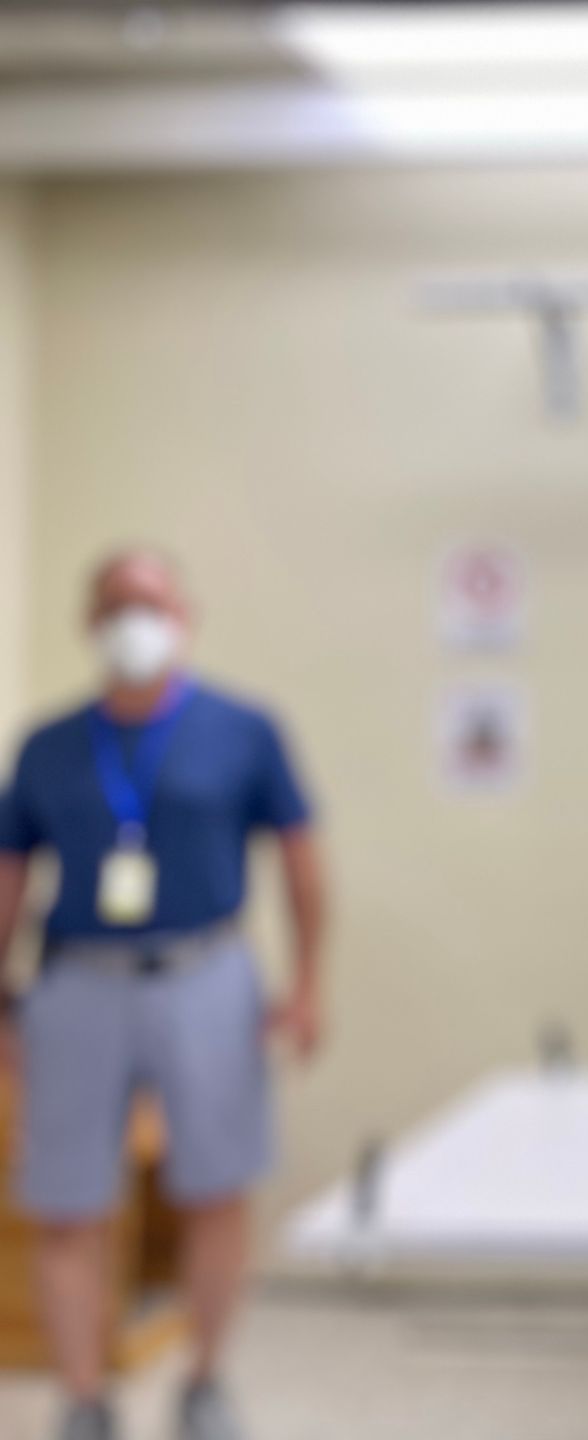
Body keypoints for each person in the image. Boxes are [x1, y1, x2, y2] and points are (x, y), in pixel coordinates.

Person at [0, 549, 325, 1440]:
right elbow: (9, 875)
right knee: (66, 1198)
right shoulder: (48, 744)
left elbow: (300, 859)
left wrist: (307, 986)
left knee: (216, 1185)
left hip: (207, 977)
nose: (131, 619)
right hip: (77, 983)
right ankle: (81, 1396)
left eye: (148, 601)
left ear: (185, 614)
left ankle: (206, 1381)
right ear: (88, 621)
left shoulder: (243, 729)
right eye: (113, 603)